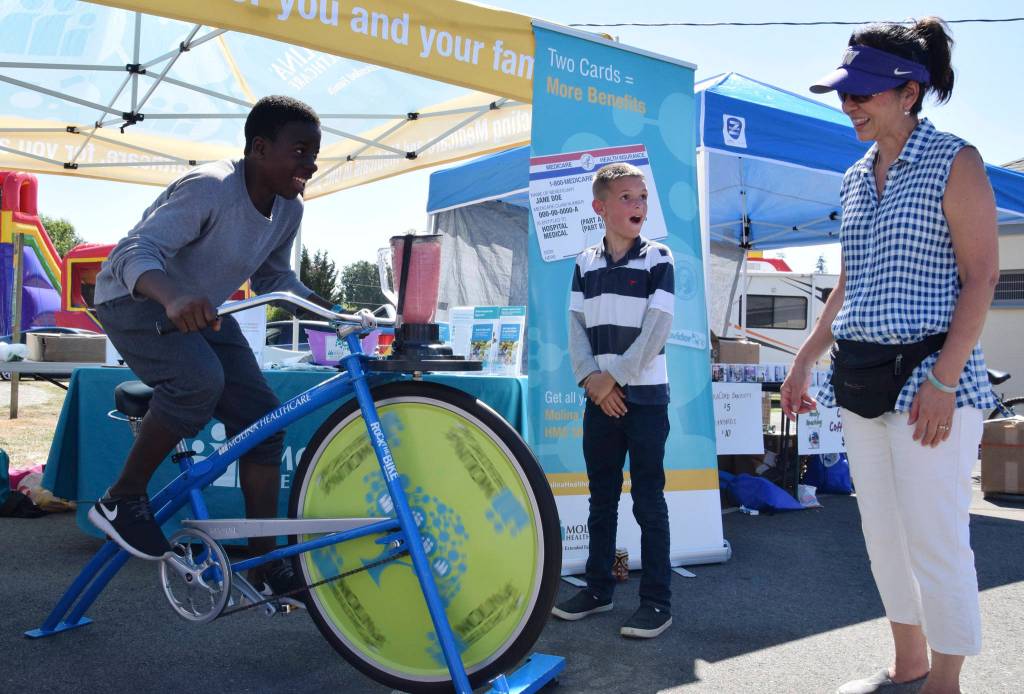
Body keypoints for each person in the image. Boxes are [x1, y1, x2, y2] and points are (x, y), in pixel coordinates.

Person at [783, 18, 999, 694]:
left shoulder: (954, 160)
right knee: (880, 534)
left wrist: (943, 378)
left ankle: (947, 681)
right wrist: (804, 357)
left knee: (935, 539)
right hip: (861, 375)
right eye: (844, 95)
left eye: (861, 95)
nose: (848, 106)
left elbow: (983, 276)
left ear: (909, 92)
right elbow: (851, 282)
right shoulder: (853, 178)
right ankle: (909, 664)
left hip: (932, 378)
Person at [88, 95, 334, 604]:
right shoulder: (212, 187)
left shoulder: (290, 207)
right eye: (301, 152)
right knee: (198, 382)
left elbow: (274, 277)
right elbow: (134, 251)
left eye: (315, 154)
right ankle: (121, 499)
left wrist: (334, 316)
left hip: (198, 307)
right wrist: (174, 296)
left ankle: (267, 560)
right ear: (260, 148)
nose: (310, 165)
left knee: (266, 422)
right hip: (135, 298)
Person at [551, 162, 675, 639]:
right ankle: (598, 588)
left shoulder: (659, 258)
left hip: (644, 401)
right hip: (599, 400)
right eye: (626, 197)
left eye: (642, 197)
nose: (638, 205)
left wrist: (613, 380)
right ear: (600, 208)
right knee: (601, 499)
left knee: (648, 501)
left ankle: (657, 603)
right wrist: (591, 381)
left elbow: (657, 328)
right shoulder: (583, 263)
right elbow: (575, 329)